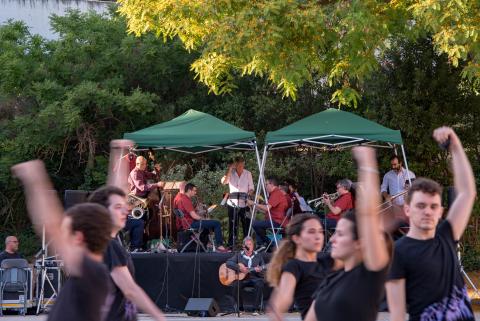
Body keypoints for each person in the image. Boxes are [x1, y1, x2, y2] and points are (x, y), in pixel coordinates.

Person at [386, 127, 476, 321]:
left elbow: (467, 192)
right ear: (407, 210)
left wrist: (456, 146)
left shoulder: (447, 234)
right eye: (420, 205)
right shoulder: (399, 252)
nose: (427, 211)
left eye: (433, 206)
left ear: (441, 211)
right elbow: (397, 315)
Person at [11, 160, 112, 321]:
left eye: (67, 231)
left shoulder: (91, 270)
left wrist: (35, 179)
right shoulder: (95, 273)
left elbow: (51, 227)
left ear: (78, 238)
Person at [304, 147, 392, 321]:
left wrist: (367, 164)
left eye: (341, 234)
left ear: (359, 242)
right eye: (336, 233)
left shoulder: (367, 275)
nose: (333, 238)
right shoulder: (330, 278)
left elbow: (366, 216)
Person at [89, 186, 166, 321]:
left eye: (124, 205)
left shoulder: (102, 242)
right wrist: (160, 318)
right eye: (118, 207)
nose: (126, 210)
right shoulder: (110, 245)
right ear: (103, 212)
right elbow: (130, 290)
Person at [267, 214, 336, 320]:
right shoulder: (294, 266)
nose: (318, 236)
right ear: (297, 238)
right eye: (311, 232)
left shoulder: (326, 259)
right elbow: (281, 301)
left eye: (320, 231)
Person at [174, 183, 228, 252]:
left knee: (209, 226)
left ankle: (206, 244)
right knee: (216, 223)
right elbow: (194, 216)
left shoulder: (180, 198)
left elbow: (189, 213)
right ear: (189, 190)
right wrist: (204, 219)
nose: (195, 192)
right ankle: (220, 246)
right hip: (190, 224)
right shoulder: (185, 199)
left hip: (186, 224)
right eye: (194, 190)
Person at [126, 156, 164, 250]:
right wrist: (157, 185)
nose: (145, 166)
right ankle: (135, 246)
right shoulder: (135, 173)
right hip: (134, 200)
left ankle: (140, 244)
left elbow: (151, 175)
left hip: (141, 199)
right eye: (143, 164)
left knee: (142, 222)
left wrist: (157, 171)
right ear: (137, 164)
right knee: (138, 222)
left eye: (145, 164)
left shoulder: (142, 171)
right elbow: (142, 187)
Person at [226, 237, 266, 314]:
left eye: (250, 244)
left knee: (260, 283)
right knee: (235, 284)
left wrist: (260, 270)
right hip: (243, 279)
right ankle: (240, 308)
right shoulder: (239, 255)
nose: (249, 246)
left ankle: (255, 309)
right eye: (247, 244)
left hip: (255, 278)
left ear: (253, 246)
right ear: (244, 246)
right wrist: (239, 268)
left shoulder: (258, 256)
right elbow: (228, 263)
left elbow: (264, 268)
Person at [221, 156, 255, 248]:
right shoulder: (230, 173)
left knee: (246, 225)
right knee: (233, 224)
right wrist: (230, 169)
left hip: (245, 203)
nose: (241, 167)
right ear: (235, 165)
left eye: (242, 165)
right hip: (232, 203)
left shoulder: (248, 173)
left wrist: (248, 195)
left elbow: (251, 188)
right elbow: (224, 182)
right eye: (238, 165)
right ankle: (231, 244)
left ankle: (247, 245)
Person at [249, 177, 289, 249]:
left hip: (277, 222)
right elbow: (267, 211)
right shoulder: (275, 193)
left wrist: (254, 203)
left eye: (266, 184)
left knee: (255, 224)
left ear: (272, 184)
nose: (265, 186)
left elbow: (267, 208)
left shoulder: (276, 193)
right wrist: (253, 206)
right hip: (274, 220)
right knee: (259, 224)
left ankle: (268, 243)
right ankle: (262, 246)